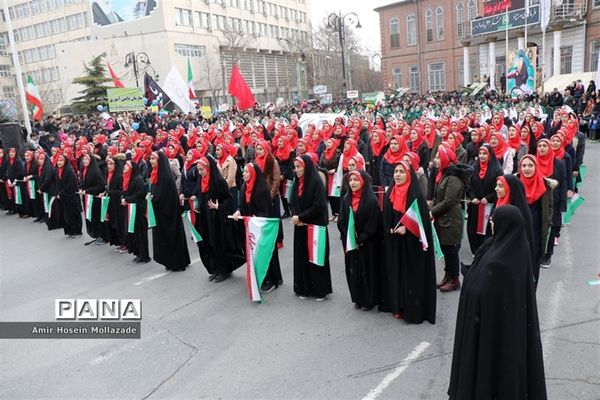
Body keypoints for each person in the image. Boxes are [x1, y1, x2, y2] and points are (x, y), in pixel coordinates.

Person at [448, 205, 547, 400]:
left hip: (492, 328)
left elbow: (483, 289)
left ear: (505, 224)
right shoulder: (510, 247)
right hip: (504, 328)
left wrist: (470, 279)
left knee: (490, 365)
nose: (491, 222)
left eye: (494, 220)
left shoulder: (500, 261)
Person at [381, 162, 436, 323]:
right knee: (396, 274)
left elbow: (422, 223)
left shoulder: (415, 195)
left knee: (410, 277)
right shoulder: (391, 191)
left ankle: (412, 309)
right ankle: (398, 305)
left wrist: (407, 229)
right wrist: (389, 228)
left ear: (408, 174)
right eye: (396, 172)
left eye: (401, 172)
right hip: (396, 242)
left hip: (412, 246)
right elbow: (387, 215)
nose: (397, 175)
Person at [233, 163, 282, 292]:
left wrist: (256, 218)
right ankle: (257, 276)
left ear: (253, 174)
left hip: (260, 227)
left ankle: (270, 279)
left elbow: (266, 210)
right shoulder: (244, 187)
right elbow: (241, 205)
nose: (243, 174)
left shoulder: (261, 189)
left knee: (264, 252)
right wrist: (238, 211)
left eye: (246, 172)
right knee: (252, 252)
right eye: (244, 172)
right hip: (249, 227)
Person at [337, 170, 382, 311]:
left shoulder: (370, 201)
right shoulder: (346, 199)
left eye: (356, 180)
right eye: (351, 180)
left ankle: (369, 299)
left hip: (367, 245)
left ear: (362, 182)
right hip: (351, 244)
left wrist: (361, 239)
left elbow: (373, 225)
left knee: (367, 271)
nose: (353, 183)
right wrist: (349, 237)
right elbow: (341, 221)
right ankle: (357, 297)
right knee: (354, 271)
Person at [289, 155, 332, 301]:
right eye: (295, 167)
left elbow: (319, 206)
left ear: (306, 166)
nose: (297, 170)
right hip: (300, 225)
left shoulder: (316, 182)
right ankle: (304, 287)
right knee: (302, 256)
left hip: (315, 226)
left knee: (316, 258)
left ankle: (320, 289)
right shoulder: (297, 182)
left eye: (299, 167)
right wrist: (296, 215)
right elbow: (293, 201)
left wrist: (301, 218)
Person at [196, 156, 245, 282]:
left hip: (218, 219)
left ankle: (224, 270)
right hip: (207, 218)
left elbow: (229, 199)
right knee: (210, 243)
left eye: (202, 170)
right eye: (199, 170)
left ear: (208, 168)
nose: (200, 173)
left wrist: (219, 207)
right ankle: (215, 269)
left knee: (219, 244)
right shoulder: (202, 180)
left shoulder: (218, 181)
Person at [431, 146, 472, 292]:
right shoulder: (444, 174)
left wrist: (432, 212)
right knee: (446, 249)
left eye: (437, 157)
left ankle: (455, 280)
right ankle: (448, 276)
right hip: (443, 218)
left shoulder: (453, 178)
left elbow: (448, 201)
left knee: (451, 251)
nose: (435, 160)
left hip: (451, 220)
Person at [149, 151, 191, 271]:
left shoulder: (166, 177)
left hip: (168, 214)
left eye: (153, 158)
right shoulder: (155, 174)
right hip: (160, 213)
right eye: (150, 158)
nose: (151, 161)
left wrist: (154, 198)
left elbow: (167, 197)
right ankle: (168, 260)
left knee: (172, 236)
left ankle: (176, 262)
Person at [518, 155, 555, 285]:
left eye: (530, 165)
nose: (527, 169)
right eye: (524, 166)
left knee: (533, 267)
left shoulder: (545, 185)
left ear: (536, 167)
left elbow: (550, 207)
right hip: (518, 233)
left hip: (536, 233)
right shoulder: (515, 183)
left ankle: (531, 298)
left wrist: (548, 222)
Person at [465, 144, 502, 255]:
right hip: (475, 204)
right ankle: (474, 250)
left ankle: (484, 251)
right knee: (472, 228)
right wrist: (472, 197)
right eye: (480, 153)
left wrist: (488, 198)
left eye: (485, 153)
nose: (482, 156)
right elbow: (468, 185)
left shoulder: (497, 170)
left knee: (485, 230)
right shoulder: (473, 167)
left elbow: (499, 188)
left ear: (490, 155)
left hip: (488, 206)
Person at [494, 174, 535, 268]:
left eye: (500, 186)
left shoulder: (520, 212)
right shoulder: (498, 204)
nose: (496, 188)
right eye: (496, 185)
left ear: (510, 189)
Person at [80, 153, 107, 245]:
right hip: (88, 198)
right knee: (92, 218)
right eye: (83, 159)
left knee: (97, 217)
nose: (84, 161)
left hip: (95, 199)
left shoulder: (95, 171)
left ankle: (102, 236)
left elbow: (101, 186)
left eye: (86, 159)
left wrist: (87, 190)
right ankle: (97, 235)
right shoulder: (85, 170)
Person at [102, 154, 126, 251]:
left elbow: (121, 191)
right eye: (108, 163)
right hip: (111, 203)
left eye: (111, 164)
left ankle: (125, 243)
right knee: (114, 222)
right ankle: (119, 241)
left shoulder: (119, 175)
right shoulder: (108, 174)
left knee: (121, 223)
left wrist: (110, 193)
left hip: (118, 204)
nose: (109, 166)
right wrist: (105, 193)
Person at [55, 153, 82, 238]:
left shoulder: (69, 171)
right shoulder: (57, 171)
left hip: (71, 196)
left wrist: (61, 193)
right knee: (66, 214)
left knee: (73, 213)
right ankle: (70, 231)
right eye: (58, 160)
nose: (59, 162)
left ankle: (77, 231)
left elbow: (70, 186)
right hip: (63, 197)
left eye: (61, 160)